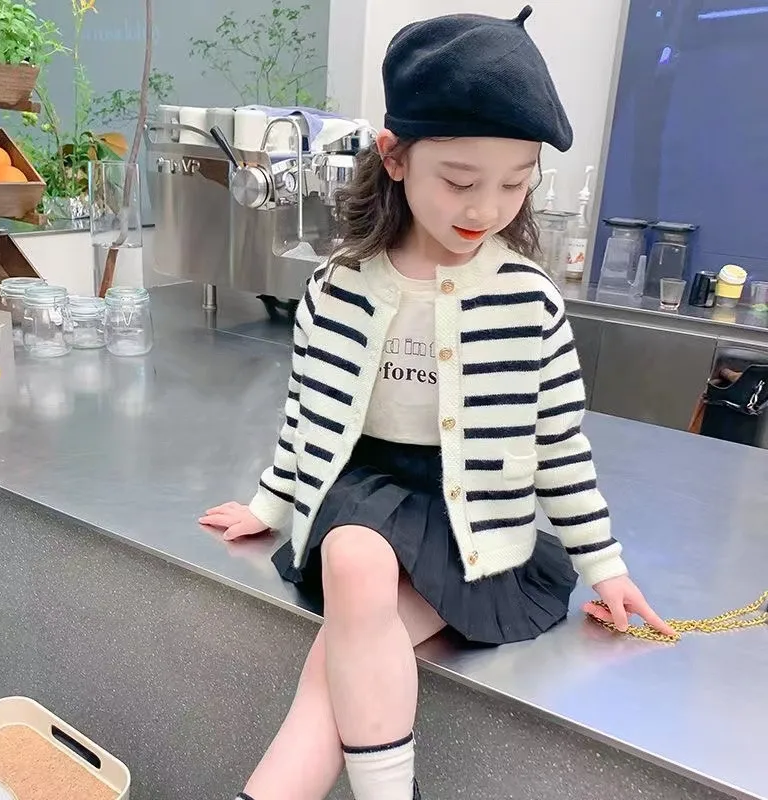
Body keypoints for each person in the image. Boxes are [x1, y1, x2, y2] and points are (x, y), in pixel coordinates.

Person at [200, 7, 674, 799]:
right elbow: (308, 414)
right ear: (394, 156)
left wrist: (605, 565)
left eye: (515, 183)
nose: (486, 209)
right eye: (459, 181)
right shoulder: (337, 287)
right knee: (355, 558)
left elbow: (558, 445)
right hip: (368, 491)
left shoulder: (527, 300)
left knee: (338, 666)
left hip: (475, 522)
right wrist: (270, 505)